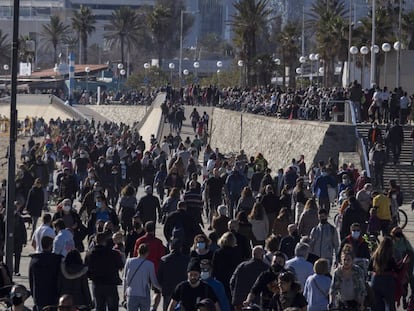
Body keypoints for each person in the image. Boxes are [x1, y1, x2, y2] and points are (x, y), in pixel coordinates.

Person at [85, 232, 124, 311]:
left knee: (99, 307)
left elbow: (86, 271)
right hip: (111, 284)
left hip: (97, 284)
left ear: (95, 241)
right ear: (105, 241)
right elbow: (120, 266)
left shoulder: (89, 254)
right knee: (113, 308)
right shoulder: (113, 253)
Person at [369, 236, 408, 311]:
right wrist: (403, 263)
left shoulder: (375, 256)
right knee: (390, 305)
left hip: (376, 281)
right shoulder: (390, 258)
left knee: (376, 306)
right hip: (388, 282)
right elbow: (397, 270)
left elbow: (369, 268)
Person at [123, 243, 161, 311]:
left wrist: (124, 292)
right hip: (144, 294)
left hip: (132, 293)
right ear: (147, 253)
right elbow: (153, 281)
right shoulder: (150, 264)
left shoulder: (129, 261)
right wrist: (160, 288)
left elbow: (125, 278)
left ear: (138, 251)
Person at [230, 246, 269, 311]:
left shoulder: (242, 266)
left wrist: (235, 295)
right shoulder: (266, 268)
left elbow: (232, 282)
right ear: (262, 255)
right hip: (257, 302)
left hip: (240, 301)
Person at [29, 236, 62, 311]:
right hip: (53, 296)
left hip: (39, 296)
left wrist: (33, 293)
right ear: (51, 245)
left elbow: (31, 279)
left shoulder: (34, 261)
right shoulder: (56, 260)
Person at [158, 239, 190, 311]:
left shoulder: (164, 260)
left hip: (168, 290)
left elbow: (159, 277)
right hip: (182, 291)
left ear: (171, 247)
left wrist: (162, 287)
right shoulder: (187, 260)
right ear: (181, 248)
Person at [211, 232, 243, 300]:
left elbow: (214, 267)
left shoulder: (218, 252)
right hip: (233, 278)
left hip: (221, 278)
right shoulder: (237, 252)